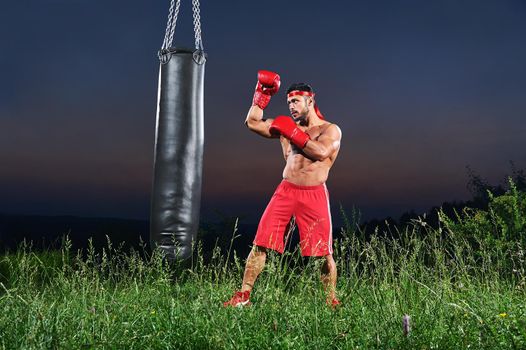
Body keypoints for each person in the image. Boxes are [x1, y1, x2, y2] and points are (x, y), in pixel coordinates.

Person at [223, 70, 342, 308]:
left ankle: (330, 300)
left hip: (314, 194)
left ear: (311, 99)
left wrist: (292, 132)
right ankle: (244, 297)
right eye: (288, 102)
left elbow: (320, 152)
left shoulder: (330, 130)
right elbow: (252, 123)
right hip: (286, 190)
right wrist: (261, 95)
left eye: (295, 101)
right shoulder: (285, 127)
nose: (291, 107)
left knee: (322, 253)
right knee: (261, 243)